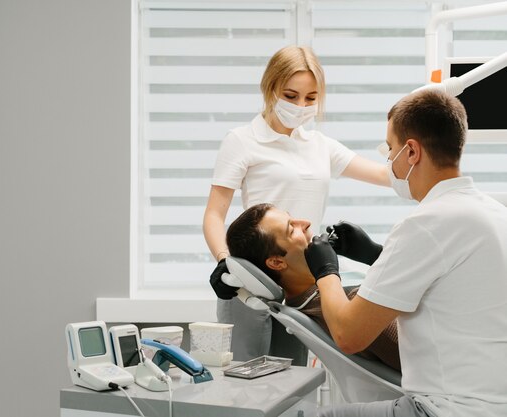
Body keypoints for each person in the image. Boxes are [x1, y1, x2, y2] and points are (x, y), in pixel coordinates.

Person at [304, 89, 507, 417]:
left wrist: (326, 271)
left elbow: (348, 335)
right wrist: (376, 255)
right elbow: (452, 281)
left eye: (390, 148)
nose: (388, 159)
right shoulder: (493, 213)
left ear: (411, 151)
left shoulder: (425, 224)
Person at [203, 45, 390, 360]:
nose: (301, 105)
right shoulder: (242, 141)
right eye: (290, 96)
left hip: (302, 282)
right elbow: (213, 214)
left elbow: (388, 176)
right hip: (254, 281)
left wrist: (409, 141)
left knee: (297, 381)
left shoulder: (319, 146)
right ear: (270, 87)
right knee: (250, 382)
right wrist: (226, 263)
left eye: (311, 98)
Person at [225, 203, 400, 371]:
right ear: (277, 262)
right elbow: (420, 353)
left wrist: (376, 256)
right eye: (292, 229)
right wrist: (330, 270)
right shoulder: (351, 305)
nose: (307, 223)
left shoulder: (308, 302)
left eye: (292, 218)